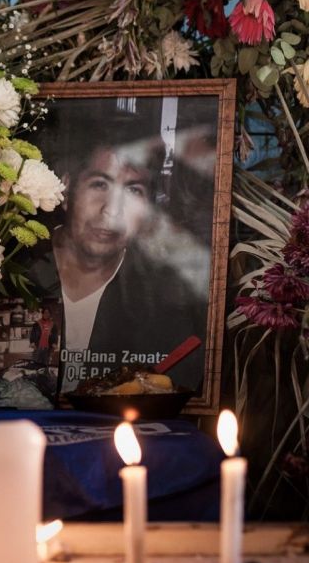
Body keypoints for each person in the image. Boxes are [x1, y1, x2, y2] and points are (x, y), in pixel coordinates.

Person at [24, 107, 207, 394]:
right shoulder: (15, 270)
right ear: (67, 189)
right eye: (99, 184)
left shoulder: (163, 303)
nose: (112, 211)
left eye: (134, 190)